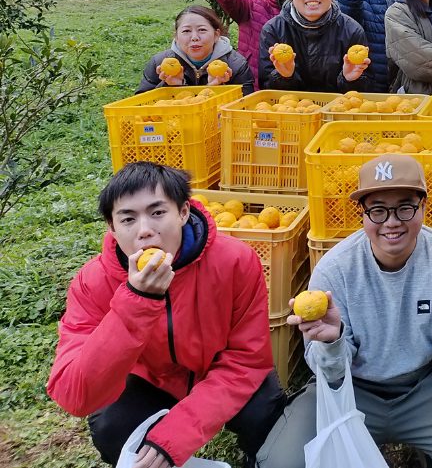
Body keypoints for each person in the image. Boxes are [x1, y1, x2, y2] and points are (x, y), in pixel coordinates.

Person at [256, 154, 432, 468]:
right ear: (362, 215)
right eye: (377, 210)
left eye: (405, 207)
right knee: (282, 462)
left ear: (423, 207)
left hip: (427, 385)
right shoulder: (335, 269)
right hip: (352, 388)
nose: (392, 222)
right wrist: (332, 342)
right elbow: (328, 372)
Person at [47, 162, 284, 468]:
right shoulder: (93, 282)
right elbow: (75, 393)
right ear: (112, 227)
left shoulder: (236, 261)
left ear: (183, 212)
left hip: (221, 371)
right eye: (128, 219)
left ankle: (257, 455)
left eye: (157, 212)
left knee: (265, 413)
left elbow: (246, 358)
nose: (145, 230)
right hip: (151, 380)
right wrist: (136, 301)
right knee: (112, 428)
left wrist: (176, 434)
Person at [258, 0, 371, 93]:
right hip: (292, 112)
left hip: (336, 112)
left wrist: (349, 80)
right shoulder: (273, 30)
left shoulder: (352, 31)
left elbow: (363, 91)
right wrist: (285, 77)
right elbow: (267, 89)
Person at [136, 5, 254, 95]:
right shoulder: (160, 63)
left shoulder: (235, 65)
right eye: (186, 31)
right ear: (176, 37)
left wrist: (217, 88)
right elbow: (139, 105)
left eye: (202, 30)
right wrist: (169, 85)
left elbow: (245, 108)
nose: (194, 38)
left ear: (216, 34)